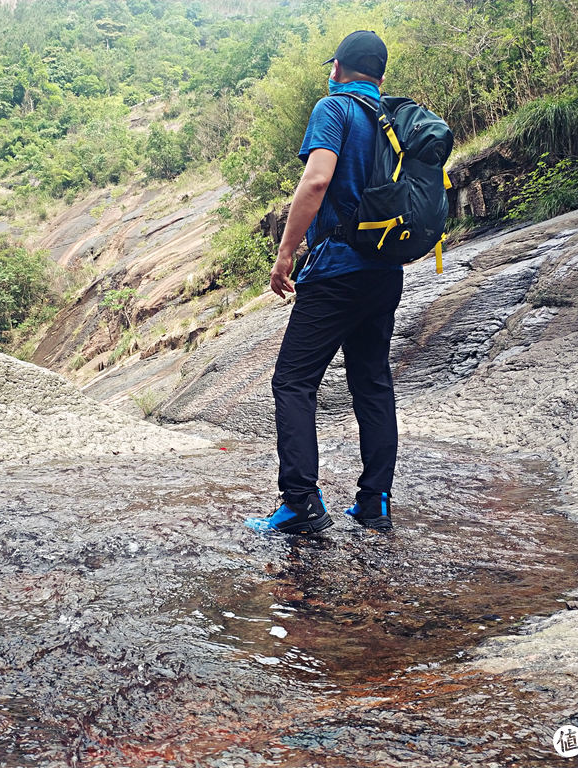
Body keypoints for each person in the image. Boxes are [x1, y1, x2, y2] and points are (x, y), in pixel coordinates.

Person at [245, 30, 401, 535]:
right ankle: (374, 502)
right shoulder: (393, 119)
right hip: (385, 270)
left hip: (337, 269)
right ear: (379, 74)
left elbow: (316, 181)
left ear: (339, 67)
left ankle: (301, 504)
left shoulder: (334, 109)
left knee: (292, 380)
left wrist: (284, 253)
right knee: (372, 383)